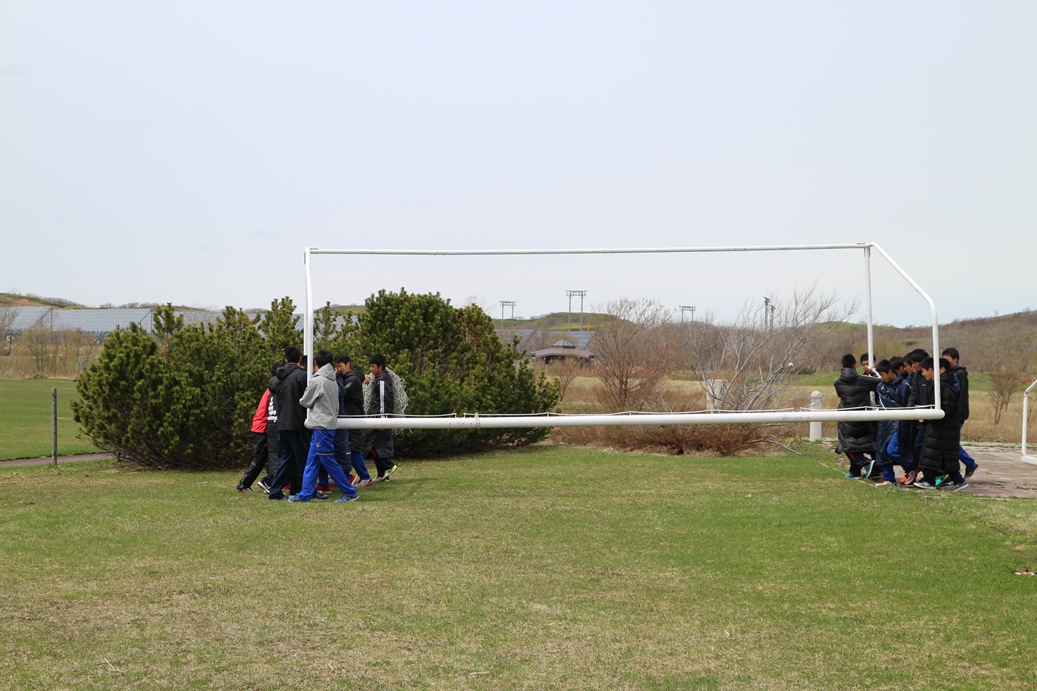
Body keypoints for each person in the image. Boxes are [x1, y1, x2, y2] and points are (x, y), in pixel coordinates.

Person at [288, 349, 359, 504]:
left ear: (315, 363)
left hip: (322, 427)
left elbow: (305, 401)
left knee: (328, 462)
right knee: (312, 462)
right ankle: (305, 493)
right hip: (326, 426)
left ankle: (350, 492)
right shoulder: (334, 380)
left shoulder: (318, 381)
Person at [914, 357, 967, 490]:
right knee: (935, 456)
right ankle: (931, 480)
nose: (923, 374)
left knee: (940, 456)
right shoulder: (940, 384)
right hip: (940, 427)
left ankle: (956, 481)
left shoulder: (944, 385)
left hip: (944, 428)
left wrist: (929, 417)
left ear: (936, 370)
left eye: (924, 370)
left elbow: (947, 408)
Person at [266, 346, 310, 500]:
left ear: (285, 360)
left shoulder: (277, 378)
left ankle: (275, 491)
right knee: (305, 460)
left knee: (283, 459)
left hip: (282, 423)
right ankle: (308, 490)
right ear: (299, 359)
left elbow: (272, 387)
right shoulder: (302, 376)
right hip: (298, 423)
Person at [236, 362, 280, 492]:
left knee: (267, 458)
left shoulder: (271, 389)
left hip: (262, 427)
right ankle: (243, 484)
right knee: (260, 458)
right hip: (262, 428)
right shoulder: (272, 391)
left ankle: (270, 480)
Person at [834, 353, 880, 480]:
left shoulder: (837, 383)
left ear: (842, 366)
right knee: (857, 444)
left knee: (847, 445)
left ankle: (865, 462)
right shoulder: (864, 380)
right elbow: (880, 382)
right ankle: (855, 472)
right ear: (855, 365)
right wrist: (873, 372)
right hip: (863, 416)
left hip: (847, 418)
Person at [335, 353, 372, 487]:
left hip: (354, 418)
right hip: (346, 418)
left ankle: (365, 477)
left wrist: (337, 377)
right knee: (346, 448)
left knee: (354, 448)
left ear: (348, 364)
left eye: (341, 366)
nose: (339, 369)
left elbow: (341, 393)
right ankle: (345, 476)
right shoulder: (350, 377)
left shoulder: (353, 380)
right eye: (337, 367)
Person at [942, 347, 979, 480]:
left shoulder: (959, 374)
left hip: (957, 414)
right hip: (951, 414)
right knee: (950, 442)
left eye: (948, 359)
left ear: (955, 359)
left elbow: (962, 395)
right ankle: (968, 463)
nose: (945, 361)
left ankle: (969, 463)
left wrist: (960, 414)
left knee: (951, 443)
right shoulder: (948, 373)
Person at [365, 354, 399, 481]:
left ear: (380, 367)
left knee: (371, 446)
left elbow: (384, 401)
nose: (371, 369)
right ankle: (381, 474)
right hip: (375, 418)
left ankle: (389, 466)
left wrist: (382, 420)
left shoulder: (383, 381)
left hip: (378, 419)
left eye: (373, 367)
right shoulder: (379, 379)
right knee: (376, 446)